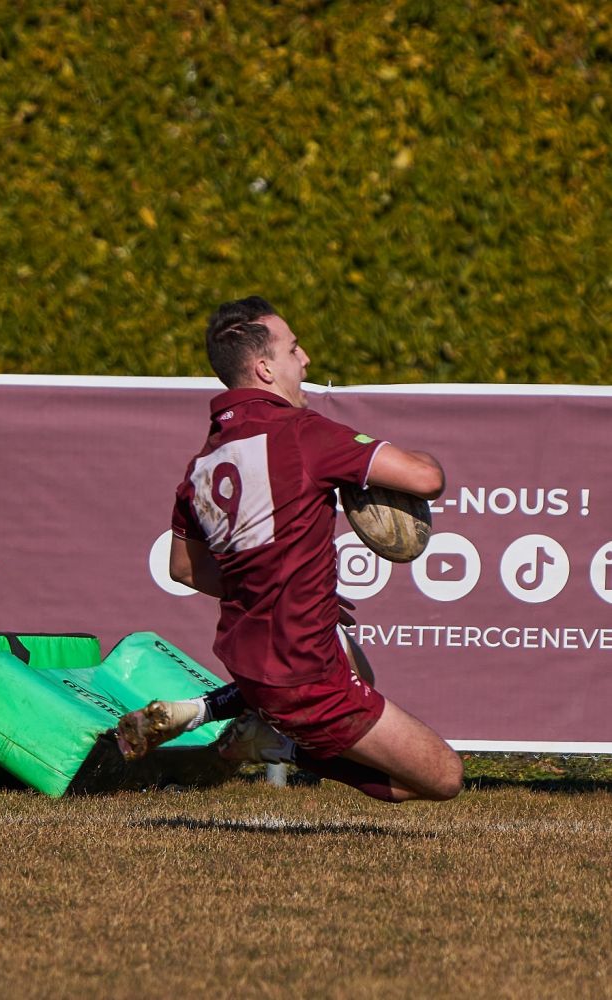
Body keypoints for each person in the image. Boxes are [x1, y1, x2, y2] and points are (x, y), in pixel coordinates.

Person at [116, 296, 462, 803]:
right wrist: (427, 456)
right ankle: (276, 745)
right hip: (303, 669)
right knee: (442, 777)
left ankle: (213, 710)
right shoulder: (301, 433)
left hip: (247, 659)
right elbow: (426, 479)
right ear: (264, 368)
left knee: (358, 668)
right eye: (294, 349)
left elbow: (184, 570)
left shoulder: (203, 464)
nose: (305, 360)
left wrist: (287, 585)